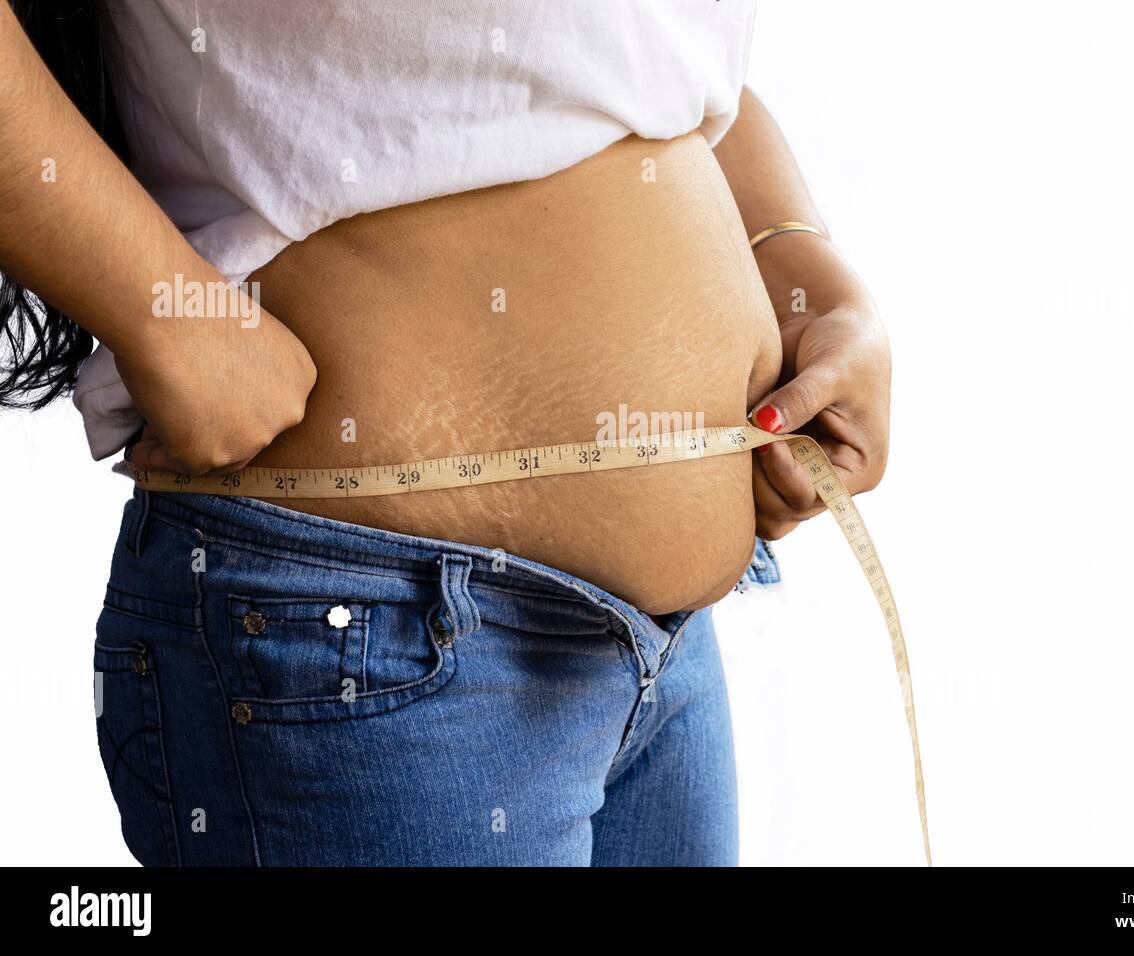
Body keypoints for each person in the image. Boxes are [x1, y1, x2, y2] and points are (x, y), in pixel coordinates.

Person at [0, 0, 892, 866]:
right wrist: (163, 311)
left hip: (668, 656)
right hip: (366, 633)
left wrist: (795, 260)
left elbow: (626, 54)